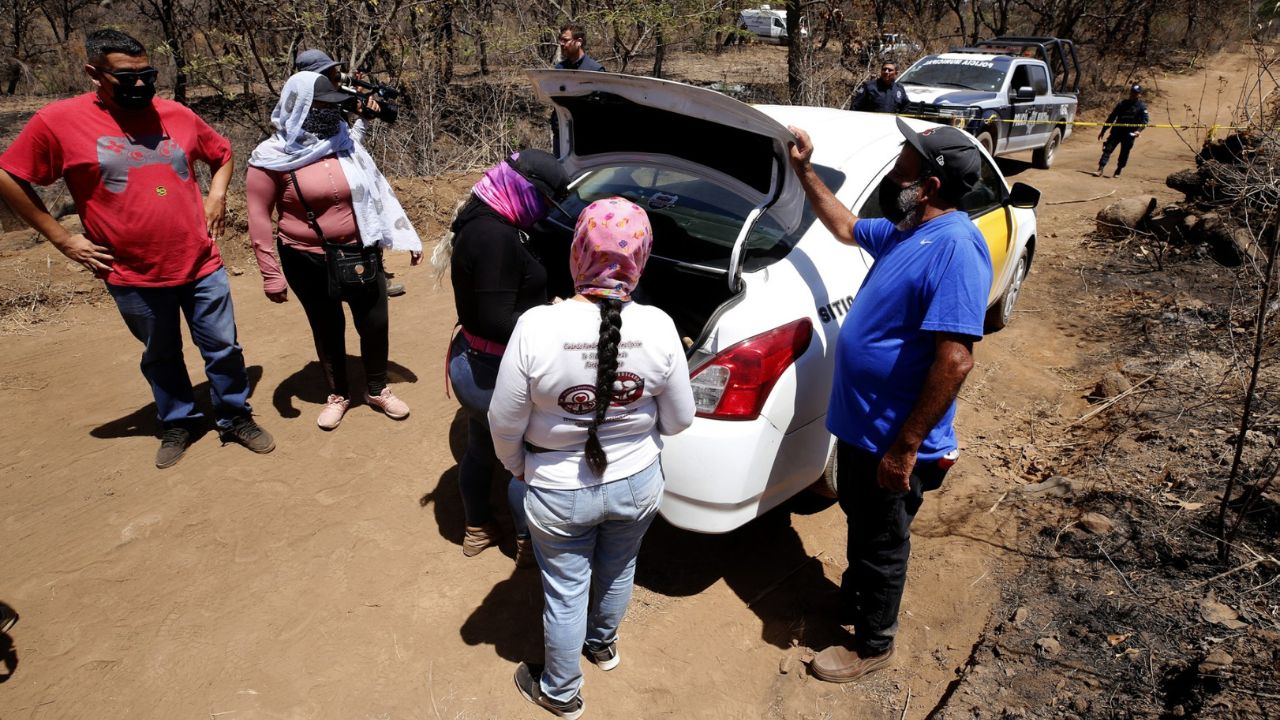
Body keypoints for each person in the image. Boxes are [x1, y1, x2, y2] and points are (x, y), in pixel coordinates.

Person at [0, 29, 274, 469]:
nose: (141, 86)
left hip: (199, 261)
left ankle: (234, 416)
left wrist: (217, 194)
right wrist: (62, 237)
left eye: (147, 74)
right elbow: (9, 175)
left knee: (223, 347)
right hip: (131, 271)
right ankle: (179, 421)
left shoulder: (176, 115)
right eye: (126, 78)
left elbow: (221, 154)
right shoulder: (58, 121)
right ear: (94, 73)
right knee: (160, 353)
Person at [787, 118, 992, 683]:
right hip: (862, 430)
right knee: (863, 524)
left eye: (905, 159)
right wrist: (804, 171)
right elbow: (846, 226)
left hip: (894, 438)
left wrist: (905, 447)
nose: (895, 166)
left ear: (927, 184)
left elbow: (955, 361)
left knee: (883, 542)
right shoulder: (907, 230)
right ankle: (855, 603)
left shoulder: (955, 248)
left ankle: (873, 645)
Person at [488, 197, 695, 719]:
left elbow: (503, 421)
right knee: (620, 565)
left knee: (565, 591)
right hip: (638, 481)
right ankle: (601, 645)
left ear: (577, 250)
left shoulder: (537, 326)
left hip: (557, 488)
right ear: (641, 257)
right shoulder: (661, 325)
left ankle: (560, 692)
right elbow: (680, 420)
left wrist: (519, 467)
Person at [246, 72, 422, 430]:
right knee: (327, 326)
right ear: (303, 109)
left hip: (362, 252)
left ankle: (376, 388)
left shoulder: (343, 142)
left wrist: (404, 237)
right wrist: (270, 273)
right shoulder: (271, 157)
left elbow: (376, 190)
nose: (335, 111)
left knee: (374, 323)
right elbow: (259, 218)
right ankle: (339, 394)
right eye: (326, 105)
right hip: (306, 258)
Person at [445, 149, 569, 564]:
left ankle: (477, 527)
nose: (547, 211)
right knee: (528, 461)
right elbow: (499, 321)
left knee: (482, 445)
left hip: (474, 363)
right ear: (523, 189)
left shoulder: (483, 216)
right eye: (546, 201)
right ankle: (527, 544)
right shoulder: (495, 237)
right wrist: (556, 317)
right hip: (497, 372)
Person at [293, 49, 407, 298]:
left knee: (364, 213)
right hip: (320, 189)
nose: (335, 80)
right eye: (329, 75)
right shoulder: (300, 112)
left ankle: (373, 275)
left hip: (346, 178)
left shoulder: (337, 101)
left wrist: (364, 118)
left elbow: (348, 144)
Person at [1096, 84, 1149, 178]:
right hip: (1117, 131)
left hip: (1129, 134)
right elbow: (1112, 117)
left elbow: (1144, 121)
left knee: (1124, 153)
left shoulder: (1142, 107)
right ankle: (1100, 168)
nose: (1133, 94)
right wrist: (1103, 130)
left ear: (1140, 94)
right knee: (1107, 149)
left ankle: (1119, 169)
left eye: (1136, 93)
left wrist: (1138, 131)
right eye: (1132, 92)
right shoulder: (1122, 104)